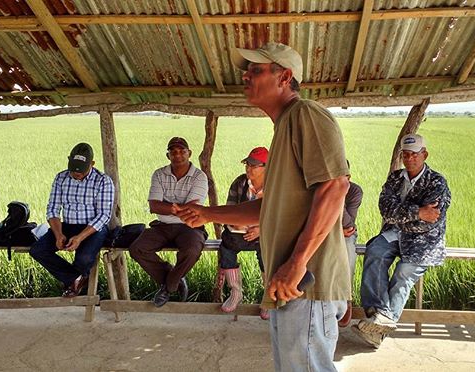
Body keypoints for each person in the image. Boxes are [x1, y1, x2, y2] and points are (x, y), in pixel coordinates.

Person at [176, 42, 351, 372]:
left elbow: (335, 186)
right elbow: (270, 208)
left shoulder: (305, 114)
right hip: (289, 281)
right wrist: (207, 214)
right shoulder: (285, 125)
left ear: (284, 77)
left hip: (305, 279)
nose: (246, 76)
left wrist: (297, 262)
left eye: (256, 70)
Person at [352, 133, 451, 349]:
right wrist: (418, 212)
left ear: (424, 154)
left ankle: (378, 327)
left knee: (403, 274)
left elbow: (431, 221)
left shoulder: (437, 182)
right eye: (405, 155)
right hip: (395, 233)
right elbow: (386, 211)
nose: (409, 159)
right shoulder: (395, 178)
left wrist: (402, 216)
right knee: (375, 251)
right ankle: (377, 313)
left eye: (414, 154)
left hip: (424, 242)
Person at [129, 137, 208, 308]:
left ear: (189, 153)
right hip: (162, 226)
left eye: (182, 151)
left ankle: (168, 286)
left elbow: (193, 209)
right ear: (168, 155)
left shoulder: (199, 176)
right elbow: (153, 205)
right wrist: (177, 208)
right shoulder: (159, 174)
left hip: (190, 226)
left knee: (192, 249)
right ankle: (175, 280)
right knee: (137, 249)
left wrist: (169, 207)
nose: (178, 155)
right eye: (173, 152)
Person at [30, 143, 114, 298]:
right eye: (73, 169)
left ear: (92, 164)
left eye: (81, 170)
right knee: (38, 250)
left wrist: (80, 237)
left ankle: (75, 281)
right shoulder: (61, 177)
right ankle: (76, 278)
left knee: (84, 259)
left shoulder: (103, 181)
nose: (76, 173)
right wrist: (58, 234)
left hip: (93, 228)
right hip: (67, 225)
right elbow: (52, 209)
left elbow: (103, 216)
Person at [214, 146, 269, 319]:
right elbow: (231, 209)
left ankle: (268, 297)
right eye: (247, 164)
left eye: (254, 166)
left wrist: (260, 229)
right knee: (227, 245)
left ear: (267, 167)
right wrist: (241, 224)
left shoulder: (276, 185)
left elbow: (280, 215)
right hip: (239, 230)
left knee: (267, 252)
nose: (249, 169)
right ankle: (236, 292)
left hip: (264, 231)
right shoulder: (240, 182)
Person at [337, 162, 363, 328]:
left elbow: (348, 225)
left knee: (347, 246)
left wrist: (338, 195)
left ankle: (346, 298)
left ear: (348, 177)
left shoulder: (354, 191)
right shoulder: (316, 187)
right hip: (322, 232)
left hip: (343, 233)